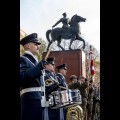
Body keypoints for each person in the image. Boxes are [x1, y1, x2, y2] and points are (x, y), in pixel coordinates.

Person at [20, 33, 48, 120]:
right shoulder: (23, 59)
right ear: (28, 45)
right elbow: (22, 77)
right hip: (30, 100)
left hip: (39, 98)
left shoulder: (34, 62)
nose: (38, 46)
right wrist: (38, 68)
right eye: (36, 44)